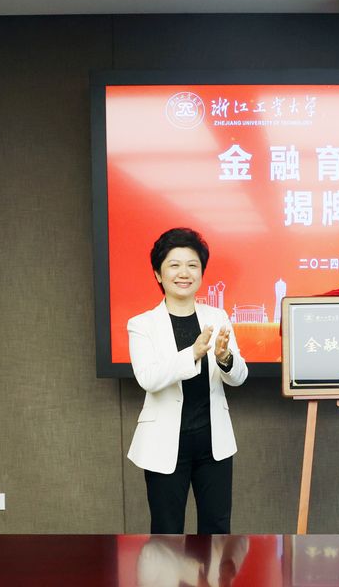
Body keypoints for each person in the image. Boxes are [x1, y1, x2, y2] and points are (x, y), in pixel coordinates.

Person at [127, 228, 248, 534]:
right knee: (167, 531)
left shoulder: (217, 317)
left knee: (217, 529)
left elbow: (239, 376)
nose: (184, 273)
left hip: (213, 443)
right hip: (164, 443)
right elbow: (148, 378)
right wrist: (192, 353)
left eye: (192, 265)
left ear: (202, 273)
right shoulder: (142, 324)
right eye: (174, 265)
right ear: (158, 274)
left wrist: (225, 358)